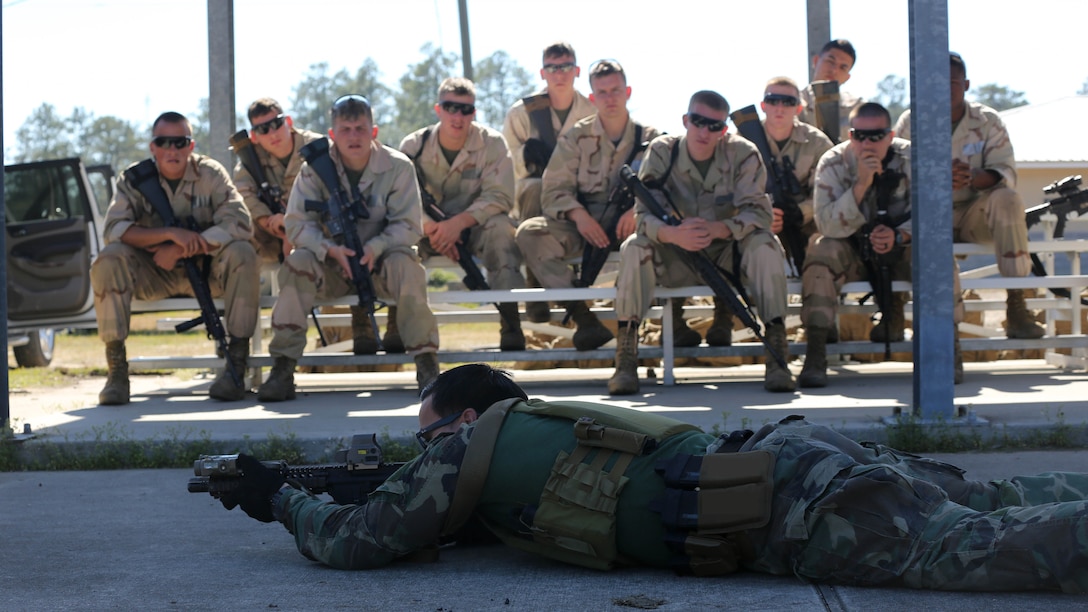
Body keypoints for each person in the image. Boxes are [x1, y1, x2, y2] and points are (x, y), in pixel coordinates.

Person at [221, 363, 1088, 593]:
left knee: (986, 553)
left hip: (789, 512)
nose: (429, 448)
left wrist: (282, 499)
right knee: (995, 500)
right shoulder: (546, 431)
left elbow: (358, 542)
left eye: (429, 434)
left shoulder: (465, 451)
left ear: (458, 423)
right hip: (792, 457)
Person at [608, 90, 794, 395]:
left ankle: (777, 350)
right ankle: (626, 357)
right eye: (698, 122)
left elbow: (760, 213)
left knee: (765, 243)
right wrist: (673, 234)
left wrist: (720, 228)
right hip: (675, 256)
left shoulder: (743, 153)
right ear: (686, 120)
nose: (705, 131)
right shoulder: (662, 152)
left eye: (715, 126)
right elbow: (642, 217)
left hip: (725, 258)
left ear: (725, 130)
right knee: (634, 246)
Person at [257, 95, 440, 401]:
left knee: (408, 264)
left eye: (360, 128)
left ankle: (427, 366)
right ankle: (282, 368)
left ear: (374, 131)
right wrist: (329, 249)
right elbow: (297, 224)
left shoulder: (397, 167)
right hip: (332, 266)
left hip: (381, 265)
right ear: (332, 134)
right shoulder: (315, 168)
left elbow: (409, 226)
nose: (354, 136)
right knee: (297, 261)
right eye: (345, 129)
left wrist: (376, 246)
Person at [90, 111, 259, 405]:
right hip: (155, 273)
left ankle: (237, 365)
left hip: (208, 274)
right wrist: (169, 234)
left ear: (191, 146)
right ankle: (117, 371)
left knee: (243, 252)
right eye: (164, 142)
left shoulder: (211, 173)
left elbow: (241, 222)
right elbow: (114, 230)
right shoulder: (134, 178)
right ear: (152, 147)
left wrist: (184, 247)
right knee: (108, 259)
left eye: (179, 142)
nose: (172, 149)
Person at [799, 102, 964, 388]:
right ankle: (815, 353)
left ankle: (947, 352)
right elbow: (826, 223)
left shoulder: (913, 158)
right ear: (851, 135)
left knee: (937, 254)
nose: (868, 143)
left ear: (890, 135)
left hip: (902, 249)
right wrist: (861, 184)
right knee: (821, 248)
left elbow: (936, 213)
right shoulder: (833, 162)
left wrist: (901, 235)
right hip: (854, 251)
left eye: (876, 136)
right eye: (860, 135)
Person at [894, 52, 1044, 340]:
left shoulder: (987, 121)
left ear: (966, 84)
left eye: (952, 81)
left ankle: (1016, 305)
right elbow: (898, 175)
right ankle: (920, 326)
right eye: (936, 81)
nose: (944, 87)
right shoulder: (912, 121)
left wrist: (974, 177)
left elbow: (1005, 172)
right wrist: (936, 178)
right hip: (926, 216)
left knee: (1008, 199)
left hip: (975, 212)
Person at [515, 59, 661, 351]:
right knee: (530, 232)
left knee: (656, 240)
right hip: (584, 228)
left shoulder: (651, 140)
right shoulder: (575, 137)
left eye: (616, 90)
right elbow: (553, 188)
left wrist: (637, 210)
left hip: (633, 228)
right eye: (602, 93)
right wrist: (578, 215)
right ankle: (584, 318)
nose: (610, 98)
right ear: (592, 98)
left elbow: (667, 189)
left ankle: (651, 328)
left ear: (628, 92)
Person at [400, 77, 526, 352]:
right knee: (397, 239)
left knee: (502, 229)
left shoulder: (492, 143)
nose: (458, 116)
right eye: (450, 107)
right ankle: (396, 325)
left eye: (465, 109)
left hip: (475, 228)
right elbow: (399, 197)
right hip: (426, 231)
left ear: (474, 112)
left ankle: (511, 322)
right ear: (438, 109)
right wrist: (432, 227)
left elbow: (501, 196)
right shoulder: (414, 146)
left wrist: (457, 224)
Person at [503, 42, 596, 322]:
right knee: (534, 187)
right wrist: (525, 156)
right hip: (534, 201)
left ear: (577, 70)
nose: (559, 74)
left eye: (566, 66)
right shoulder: (524, 113)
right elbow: (507, 167)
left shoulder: (592, 112)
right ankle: (534, 285)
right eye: (552, 67)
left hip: (582, 196)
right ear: (543, 73)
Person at [232, 97, 324, 263]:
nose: (272, 133)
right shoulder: (251, 161)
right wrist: (267, 220)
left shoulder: (316, 147)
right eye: (263, 130)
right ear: (254, 136)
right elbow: (242, 194)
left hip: (317, 224)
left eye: (277, 124)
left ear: (288, 121)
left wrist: (293, 223)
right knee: (235, 232)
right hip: (273, 232)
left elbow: (332, 193)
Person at [759, 76, 835, 272]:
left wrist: (801, 212)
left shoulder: (817, 143)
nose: (780, 107)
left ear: (798, 108)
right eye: (773, 100)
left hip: (807, 225)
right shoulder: (742, 141)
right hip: (758, 225)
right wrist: (763, 216)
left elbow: (832, 191)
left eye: (788, 102)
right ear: (763, 105)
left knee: (825, 246)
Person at [798, 39, 865, 144]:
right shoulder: (792, 102)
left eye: (843, 67)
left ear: (847, 77)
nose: (834, 70)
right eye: (830, 61)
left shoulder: (857, 108)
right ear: (815, 61)